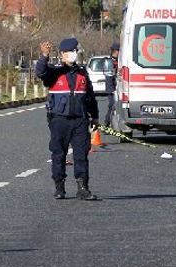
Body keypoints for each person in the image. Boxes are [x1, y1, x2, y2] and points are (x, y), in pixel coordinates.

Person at [36, 38, 99, 200]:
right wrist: (44, 55)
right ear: (63, 54)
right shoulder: (54, 71)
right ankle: (59, 186)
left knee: (81, 154)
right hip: (59, 120)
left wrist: (95, 116)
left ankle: (83, 187)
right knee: (59, 154)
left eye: (75, 51)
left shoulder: (82, 72)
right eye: (71, 52)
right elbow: (40, 72)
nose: (74, 55)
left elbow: (90, 97)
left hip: (80, 120)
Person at [104, 42, 120, 127]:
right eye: (118, 51)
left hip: (118, 87)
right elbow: (109, 76)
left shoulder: (119, 61)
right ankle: (107, 122)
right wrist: (112, 89)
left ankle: (112, 122)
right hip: (112, 87)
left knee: (116, 105)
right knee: (112, 105)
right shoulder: (109, 62)